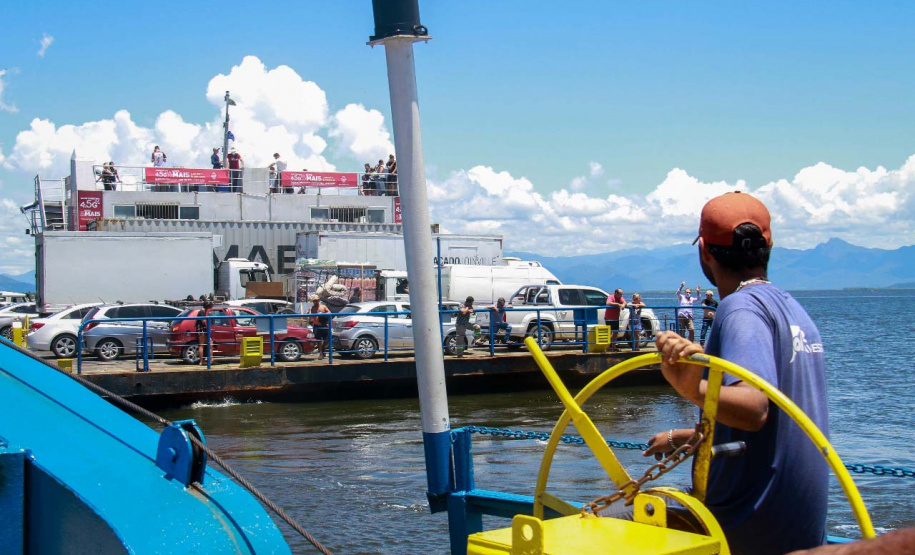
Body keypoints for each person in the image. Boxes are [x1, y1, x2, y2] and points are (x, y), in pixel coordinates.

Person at [643, 192, 829, 555]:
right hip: (802, 535)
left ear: (705, 253)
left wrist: (690, 387)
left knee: (614, 519)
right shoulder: (793, 310)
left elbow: (754, 408)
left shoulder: (740, 310)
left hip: (746, 534)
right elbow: (779, 423)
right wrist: (688, 435)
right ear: (769, 245)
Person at [308, 295, 331, 359]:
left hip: (324, 325)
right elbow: (309, 315)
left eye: (317, 300)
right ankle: (320, 352)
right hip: (316, 326)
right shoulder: (312, 308)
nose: (316, 302)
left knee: (327, 339)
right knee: (318, 340)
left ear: (319, 300)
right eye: (314, 301)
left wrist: (323, 314)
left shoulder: (323, 307)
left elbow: (329, 312)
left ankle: (323, 348)